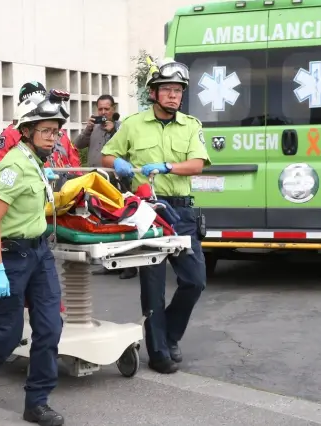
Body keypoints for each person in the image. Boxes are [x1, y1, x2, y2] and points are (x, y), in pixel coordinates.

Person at [0, 93, 66, 425]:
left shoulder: (36, 161)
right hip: (11, 256)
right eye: (47, 131)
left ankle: (37, 402)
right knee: (9, 333)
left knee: (50, 327)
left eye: (56, 131)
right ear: (28, 130)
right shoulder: (13, 166)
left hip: (39, 254)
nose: (54, 137)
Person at [101, 58, 211, 374]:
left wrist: (167, 167)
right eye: (167, 90)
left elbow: (198, 164)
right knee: (153, 285)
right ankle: (159, 350)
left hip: (182, 210)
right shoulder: (133, 124)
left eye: (178, 90)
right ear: (153, 93)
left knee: (195, 281)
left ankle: (170, 335)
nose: (173, 96)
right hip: (146, 210)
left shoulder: (191, 125)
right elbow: (108, 154)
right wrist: (116, 164)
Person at [74, 94, 137, 279]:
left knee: (122, 220)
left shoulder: (121, 127)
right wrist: (88, 129)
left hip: (116, 180)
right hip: (95, 179)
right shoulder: (93, 128)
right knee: (102, 219)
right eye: (100, 109)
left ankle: (129, 264)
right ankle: (109, 263)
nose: (103, 113)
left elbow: (126, 149)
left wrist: (113, 130)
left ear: (113, 109)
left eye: (106, 109)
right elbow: (77, 145)